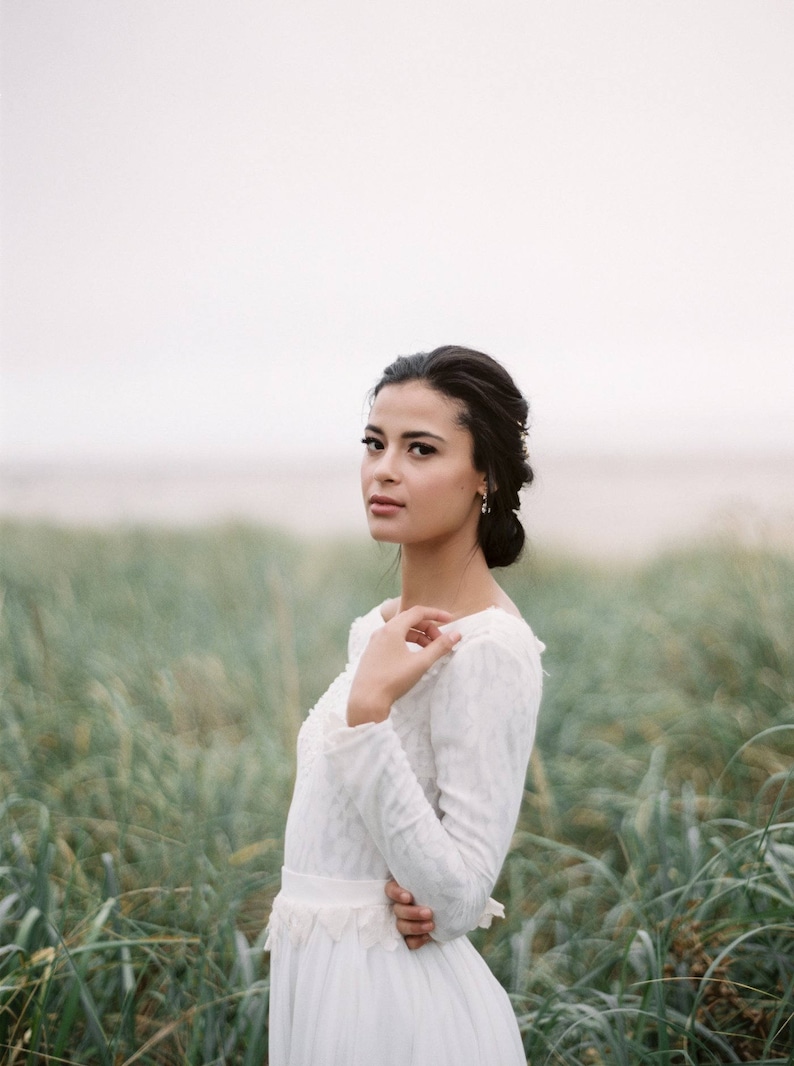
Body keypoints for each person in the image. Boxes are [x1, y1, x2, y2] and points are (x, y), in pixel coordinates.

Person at [265, 345, 545, 1065]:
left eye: (420, 449)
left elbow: (455, 902)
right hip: (323, 986)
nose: (384, 469)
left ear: (485, 475)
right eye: (374, 443)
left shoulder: (490, 650)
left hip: (399, 1014)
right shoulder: (379, 628)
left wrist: (367, 716)